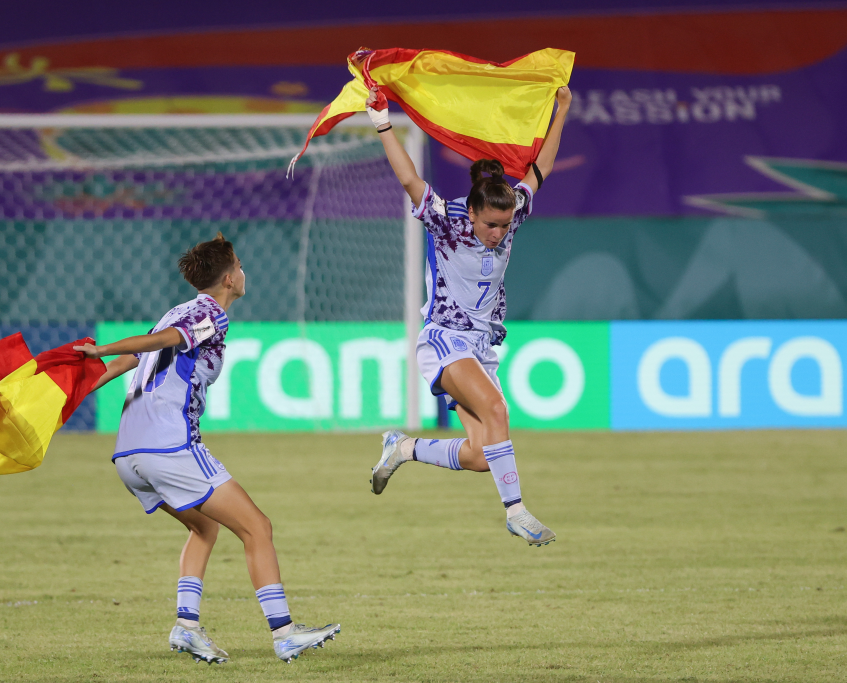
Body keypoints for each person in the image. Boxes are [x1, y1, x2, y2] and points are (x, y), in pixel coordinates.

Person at [75, 233, 339, 664]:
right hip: (169, 446)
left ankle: (187, 626)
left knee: (205, 528)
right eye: (241, 265)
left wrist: (86, 384)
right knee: (258, 528)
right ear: (231, 278)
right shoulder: (209, 315)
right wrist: (102, 349)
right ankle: (285, 633)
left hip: (129, 455)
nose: (244, 272)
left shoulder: (179, 309)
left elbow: (140, 353)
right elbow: (158, 343)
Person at [366, 85, 572, 548]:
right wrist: (382, 122)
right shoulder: (446, 219)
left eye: (505, 224)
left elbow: (542, 168)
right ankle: (515, 510)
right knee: (498, 410)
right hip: (444, 338)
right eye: (491, 224)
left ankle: (401, 449)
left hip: (482, 347)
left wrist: (561, 111)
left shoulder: (513, 213)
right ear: (472, 211)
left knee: (482, 454)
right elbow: (409, 180)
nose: (499, 232)